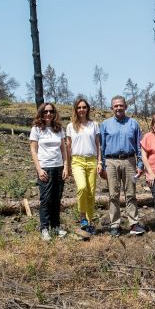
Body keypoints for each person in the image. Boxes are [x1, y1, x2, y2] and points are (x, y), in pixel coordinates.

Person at [100, 95, 145, 237]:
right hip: (111, 161)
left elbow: (139, 146)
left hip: (129, 160)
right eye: (116, 106)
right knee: (113, 194)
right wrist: (101, 164)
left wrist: (140, 164)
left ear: (125, 107)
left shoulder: (134, 124)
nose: (118, 108)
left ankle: (134, 223)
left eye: (121, 105)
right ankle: (115, 225)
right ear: (111, 108)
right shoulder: (105, 124)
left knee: (131, 193)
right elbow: (101, 146)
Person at [30, 103, 68, 241]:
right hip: (45, 168)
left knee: (56, 199)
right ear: (41, 113)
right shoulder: (36, 129)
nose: (48, 114)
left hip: (58, 168)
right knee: (45, 199)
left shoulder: (58, 129)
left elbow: (63, 150)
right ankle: (44, 228)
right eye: (45, 111)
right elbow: (33, 150)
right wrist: (39, 169)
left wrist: (66, 167)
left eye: (51, 111)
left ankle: (56, 227)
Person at [66, 97, 101, 234]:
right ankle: (82, 217)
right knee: (82, 188)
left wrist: (99, 162)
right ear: (76, 109)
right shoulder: (70, 126)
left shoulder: (94, 125)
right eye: (79, 107)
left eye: (84, 107)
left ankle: (90, 221)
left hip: (92, 161)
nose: (81, 110)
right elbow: (68, 147)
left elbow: (98, 145)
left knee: (91, 192)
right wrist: (67, 166)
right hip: (77, 161)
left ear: (88, 109)